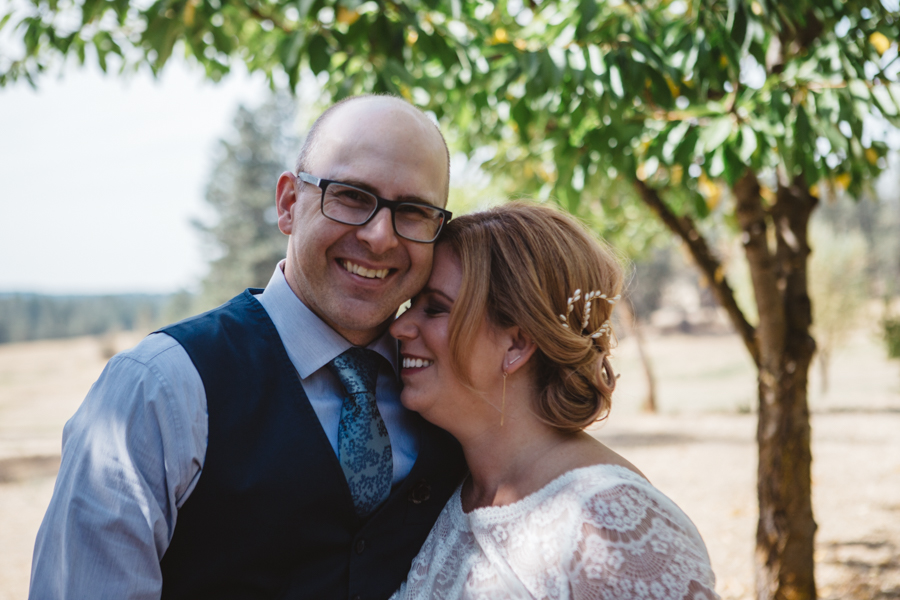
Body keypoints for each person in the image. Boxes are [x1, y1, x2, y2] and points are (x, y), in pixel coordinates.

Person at [29, 95, 467, 600]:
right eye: (350, 196)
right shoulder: (157, 389)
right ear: (287, 204)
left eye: (412, 211)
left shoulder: (451, 388)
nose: (379, 236)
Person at [389, 202, 720, 600]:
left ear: (517, 343)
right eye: (411, 306)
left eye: (435, 308)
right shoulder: (456, 490)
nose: (400, 326)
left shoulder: (613, 527)